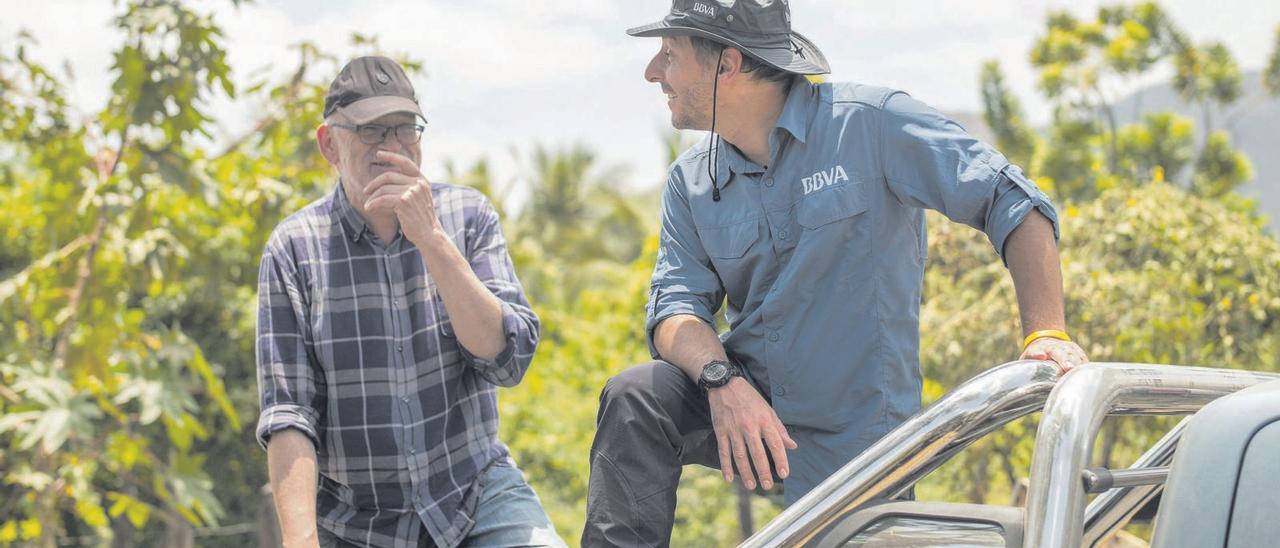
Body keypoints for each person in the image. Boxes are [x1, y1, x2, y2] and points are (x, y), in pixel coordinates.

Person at [582, 1, 1091, 545]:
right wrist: (721, 380)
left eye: (669, 55)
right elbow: (674, 309)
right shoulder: (690, 181)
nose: (653, 72)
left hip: (861, 441)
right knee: (637, 395)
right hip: (750, 409)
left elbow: (1012, 201)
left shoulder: (874, 124)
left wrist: (1047, 333)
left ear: (727, 65)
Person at [255, 56, 564, 548]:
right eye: (373, 132)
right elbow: (289, 412)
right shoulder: (293, 248)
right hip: (356, 523)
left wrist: (432, 239)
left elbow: (507, 362)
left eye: (405, 129)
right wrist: (301, 540)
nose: (393, 148)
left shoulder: (467, 216)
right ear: (329, 144)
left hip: (473, 495)